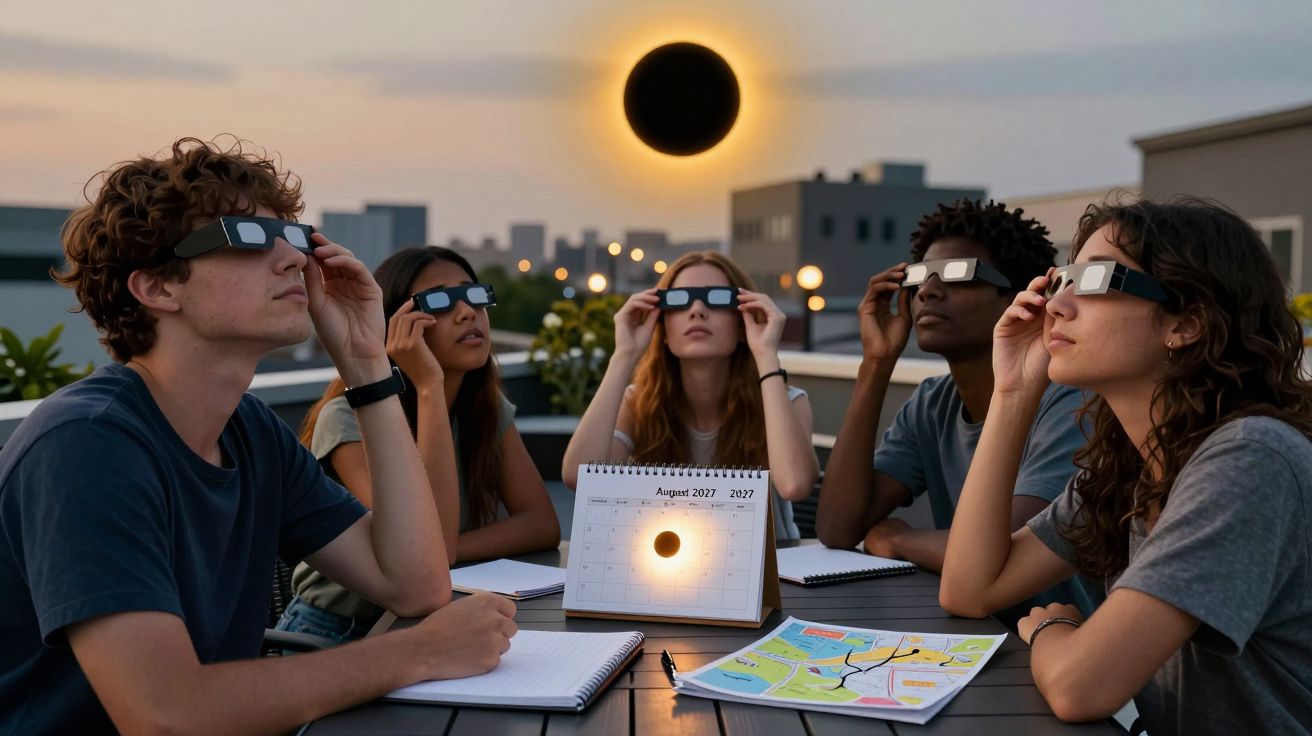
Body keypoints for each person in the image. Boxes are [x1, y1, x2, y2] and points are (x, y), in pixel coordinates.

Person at [0, 138, 516, 735]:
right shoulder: (86, 446)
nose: (294, 259)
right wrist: (420, 652)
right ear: (158, 288)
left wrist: (366, 364)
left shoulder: (250, 431)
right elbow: (164, 714)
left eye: (293, 237)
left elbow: (415, 584)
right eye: (247, 237)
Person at [940, 198, 1312, 732]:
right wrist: (1014, 392)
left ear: (1186, 323)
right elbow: (968, 590)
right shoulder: (1133, 469)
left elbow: (1080, 687)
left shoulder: (1251, 460)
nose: (1056, 305)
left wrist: (1052, 629)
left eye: (1093, 280)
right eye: (1062, 281)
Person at [278, 246, 560, 641]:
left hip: (432, 614)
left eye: (474, 294)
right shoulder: (347, 418)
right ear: (393, 324)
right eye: (439, 301)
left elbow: (541, 525)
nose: (467, 312)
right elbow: (432, 550)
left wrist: (447, 552)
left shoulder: (484, 407)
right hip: (335, 632)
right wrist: (428, 386)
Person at [817, 200, 1090, 605]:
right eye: (918, 277)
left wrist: (901, 539)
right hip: (967, 627)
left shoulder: (1071, 402)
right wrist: (876, 363)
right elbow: (838, 528)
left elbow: (1004, 551)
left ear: (1020, 297)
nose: (928, 290)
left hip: (1054, 632)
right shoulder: (932, 403)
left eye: (959, 273)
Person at [562, 251, 819, 539]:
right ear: (663, 327)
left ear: (742, 323)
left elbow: (795, 485)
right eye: (678, 300)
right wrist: (624, 355)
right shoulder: (638, 403)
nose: (697, 310)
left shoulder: (788, 402)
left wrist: (767, 354)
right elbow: (578, 477)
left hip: (771, 564)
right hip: (665, 562)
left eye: (717, 299)